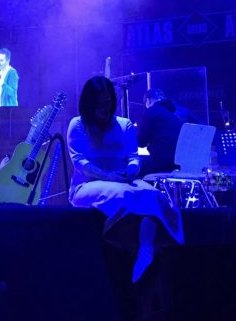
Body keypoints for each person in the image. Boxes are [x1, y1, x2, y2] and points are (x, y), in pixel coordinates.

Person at [67, 76, 183, 282]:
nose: (105, 109)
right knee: (125, 194)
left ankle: (146, 249)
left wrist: (131, 170)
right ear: (89, 104)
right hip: (87, 185)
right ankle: (137, 251)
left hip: (121, 180)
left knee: (153, 194)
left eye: (108, 103)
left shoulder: (124, 124)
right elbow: (80, 163)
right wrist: (109, 176)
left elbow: (133, 157)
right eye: (100, 104)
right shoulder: (77, 125)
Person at [136, 88, 184, 176]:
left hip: (162, 163)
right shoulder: (176, 113)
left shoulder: (151, 111)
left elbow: (141, 142)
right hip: (181, 161)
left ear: (148, 100)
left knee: (134, 168)